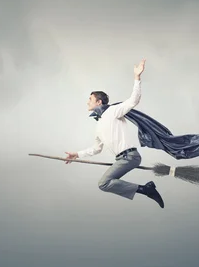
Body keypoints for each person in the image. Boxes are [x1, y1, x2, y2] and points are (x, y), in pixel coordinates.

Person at [64, 59, 165, 208]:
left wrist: (137, 77)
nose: (87, 102)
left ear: (99, 102)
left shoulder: (113, 111)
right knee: (104, 183)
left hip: (130, 157)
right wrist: (77, 154)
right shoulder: (99, 125)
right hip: (121, 159)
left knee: (103, 183)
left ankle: (146, 190)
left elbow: (133, 101)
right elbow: (96, 149)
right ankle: (146, 188)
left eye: (90, 99)